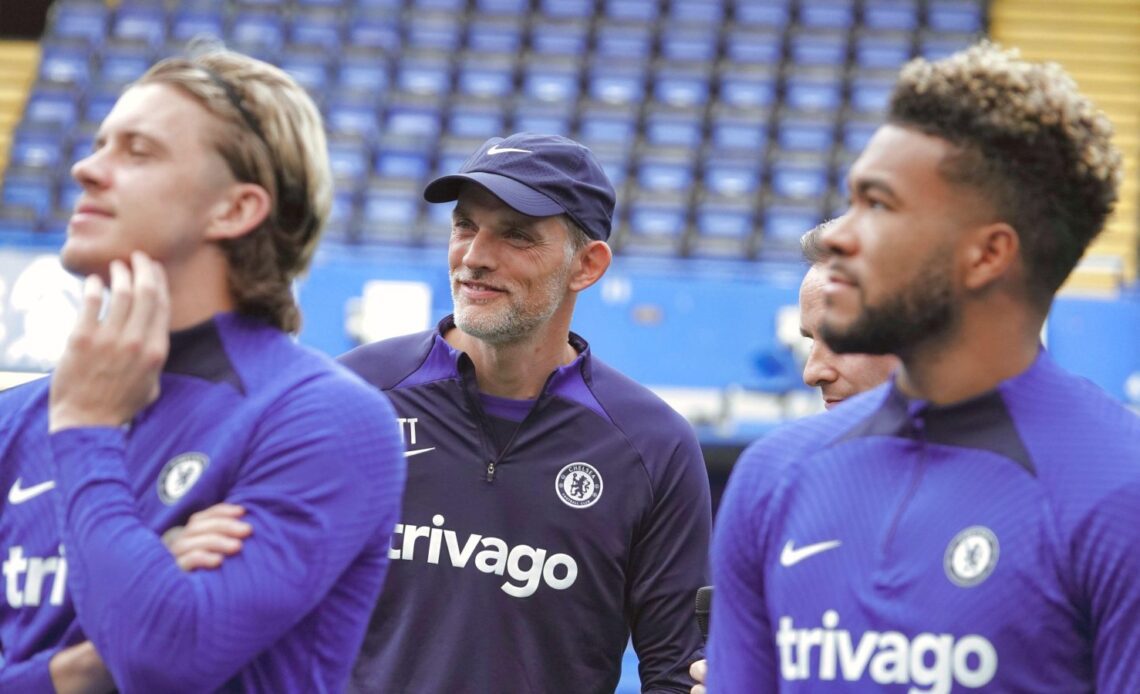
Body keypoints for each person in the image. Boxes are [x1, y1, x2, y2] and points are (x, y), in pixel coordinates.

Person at [706, 41, 1139, 692]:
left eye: (879, 206)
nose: (837, 237)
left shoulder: (1118, 494)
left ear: (987, 255)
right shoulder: (772, 481)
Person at [0, 49, 406, 693]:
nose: (84, 169)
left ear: (235, 209)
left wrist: (85, 431)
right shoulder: (13, 419)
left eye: (137, 152)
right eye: (99, 144)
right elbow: (140, 638)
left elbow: (165, 660)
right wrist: (86, 659)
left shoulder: (324, 418)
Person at [337, 132, 712, 692]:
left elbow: (677, 675)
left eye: (516, 235)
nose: (475, 256)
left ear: (587, 265)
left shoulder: (653, 446)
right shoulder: (353, 396)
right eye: (465, 225)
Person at [688, 222, 900, 693]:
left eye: (840, 340)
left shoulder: (1035, 494)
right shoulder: (773, 484)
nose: (813, 371)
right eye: (810, 341)